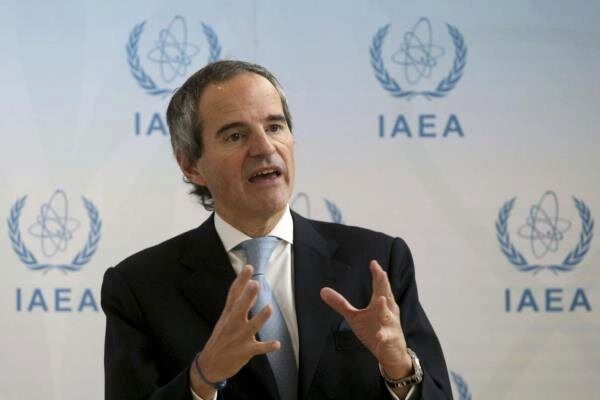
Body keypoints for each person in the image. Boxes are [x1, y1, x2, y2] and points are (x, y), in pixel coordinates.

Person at [101, 60, 452, 400]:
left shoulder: (377, 261)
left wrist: (398, 367)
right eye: (236, 135)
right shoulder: (139, 287)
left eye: (274, 127)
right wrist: (202, 378)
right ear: (191, 165)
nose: (265, 148)